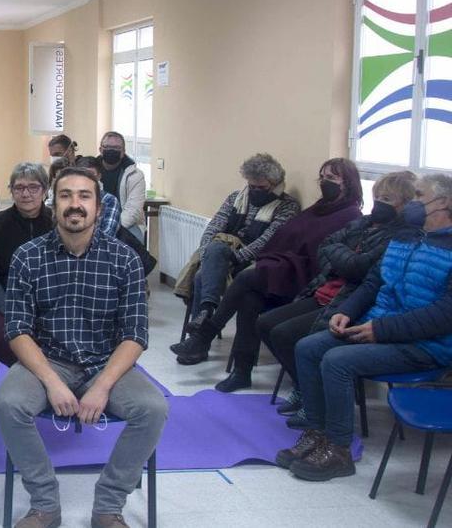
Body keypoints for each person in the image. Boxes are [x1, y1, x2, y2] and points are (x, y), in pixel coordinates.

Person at [0, 167, 165, 528]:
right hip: (47, 361)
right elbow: (17, 330)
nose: (75, 204)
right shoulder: (28, 256)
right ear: (52, 204)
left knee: (152, 408)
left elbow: (135, 333)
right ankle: (45, 505)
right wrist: (53, 383)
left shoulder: (125, 259)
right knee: (8, 403)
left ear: (99, 208)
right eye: (66, 195)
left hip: (106, 363)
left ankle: (108, 506)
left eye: (84, 196)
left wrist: (103, 385)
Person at [280, 173, 452, 482]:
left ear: (443, 202)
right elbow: (374, 282)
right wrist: (346, 312)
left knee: (336, 361)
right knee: (308, 347)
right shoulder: (405, 236)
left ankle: (339, 449)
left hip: (427, 345)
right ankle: (316, 433)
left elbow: (442, 316)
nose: (411, 203)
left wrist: (381, 330)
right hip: (379, 327)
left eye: (418, 195)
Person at [174, 159, 366, 392]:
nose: (325, 182)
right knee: (248, 298)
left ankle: (206, 332)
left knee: (246, 279)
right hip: (283, 268)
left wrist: (248, 258)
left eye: (332, 178)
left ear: (348, 183)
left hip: (306, 279)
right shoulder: (319, 207)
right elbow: (288, 237)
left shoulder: (350, 215)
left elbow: (323, 255)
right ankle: (241, 371)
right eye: (322, 177)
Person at [258, 171, 417, 415]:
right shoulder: (363, 222)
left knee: (286, 335)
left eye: (388, 198)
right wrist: (345, 256)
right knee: (265, 323)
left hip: (350, 300)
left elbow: (359, 269)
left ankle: (312, 396)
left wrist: (341, 255)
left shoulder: (399, 236)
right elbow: (325, 245)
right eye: (377, 196)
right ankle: (305, 387)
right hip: (326, 289)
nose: (379, 203)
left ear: (405, 204)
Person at [174, 153, 300, 338]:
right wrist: (205, 252)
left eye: (261, 187)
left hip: (255, 260)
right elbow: (214, 226)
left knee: (204, 273)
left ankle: (200, 333)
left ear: (275, 185)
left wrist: (236, 258)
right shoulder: (236, 197)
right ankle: (204, 319)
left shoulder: (287, 206)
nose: (255, 190)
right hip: (222, 255)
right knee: (208, 261)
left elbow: (267, 241)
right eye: (251, 186)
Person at [0, 163, 55, 370]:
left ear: (45, 190)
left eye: (33, 187)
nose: (26, 194)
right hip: (6, 298)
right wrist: (9, 307)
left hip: (51, 301)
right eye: (19, 188)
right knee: (2, 339)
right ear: (11, 191)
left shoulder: (57, 223)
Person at [98, 132, 146, 242]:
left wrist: (110, 229)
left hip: (127, 224)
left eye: (116, 148)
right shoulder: (90, 171)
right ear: (100, 149)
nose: (111, 150)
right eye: (107, 147)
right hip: (95, 223)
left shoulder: (135, 175)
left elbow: (133, 211)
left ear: (123, 152)